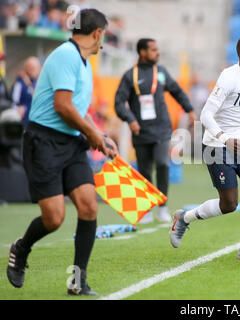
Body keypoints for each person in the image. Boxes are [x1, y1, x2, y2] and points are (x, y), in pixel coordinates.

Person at [6, 8, 118, 296]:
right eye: (103, 33)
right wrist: (92, 133)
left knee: (88, 205)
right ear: (97, 33)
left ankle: (78, 281)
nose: (103, 38)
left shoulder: (83, 63)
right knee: (54, 218)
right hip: (43, 142)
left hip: (70, 144)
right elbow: (63, 107)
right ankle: (21, 247)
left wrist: (100, 135)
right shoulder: (67, 55)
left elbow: (78, 112)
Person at [170, 35, 240, 260]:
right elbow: (206, 114)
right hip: (217, 145)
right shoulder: (229, 77)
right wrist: (224, 138)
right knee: (229, 204)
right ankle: (184, 218)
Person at [114, 38, 196, 224]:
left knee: (163, 163)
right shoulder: (130, 76)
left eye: (157, 49)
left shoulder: (161, 72)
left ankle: (162, 207)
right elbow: (118, 103)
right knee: (144, 171)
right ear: (142, 52)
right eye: (153, 49)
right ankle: (147, 209)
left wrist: (189, 109)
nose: (157, 52)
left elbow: (177, 91)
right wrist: (131, 120)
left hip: (162, 129)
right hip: (140, 130)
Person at [11, 57, 41, 126]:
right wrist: (19, 110)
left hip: (32, 123)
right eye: (37, 68)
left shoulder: (35, 82)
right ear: (30, 69)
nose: (39, 71)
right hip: (22, 124)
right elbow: (13, 102)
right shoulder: (20, 83)